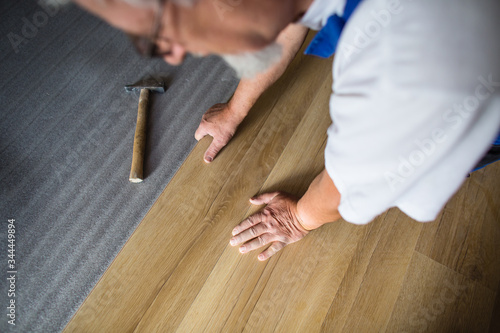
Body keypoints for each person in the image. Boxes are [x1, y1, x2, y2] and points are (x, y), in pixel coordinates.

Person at [73, 0, 500, 261]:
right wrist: (235, 110)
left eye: (183, 25)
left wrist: (297, 218)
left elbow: (352, 183)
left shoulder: (405, 60)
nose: (186, 53)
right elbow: (288, 18)